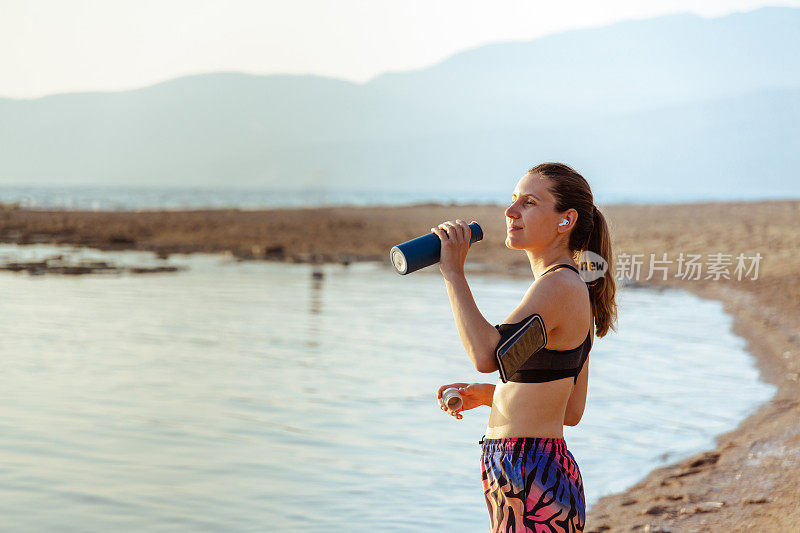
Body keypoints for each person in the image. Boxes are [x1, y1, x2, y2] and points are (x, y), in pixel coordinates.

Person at [432, 163, 617, 532]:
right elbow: (570, 409)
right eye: (513, 199)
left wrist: (453, 274)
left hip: (529, 476)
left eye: (529, 202)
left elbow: (486, 355)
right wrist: (491, 396)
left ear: (566, 220)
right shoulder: (570, 286)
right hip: (538, 470)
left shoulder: (558, 287)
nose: (510, 211)